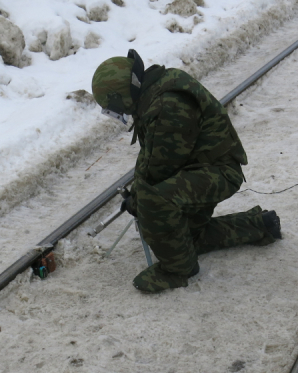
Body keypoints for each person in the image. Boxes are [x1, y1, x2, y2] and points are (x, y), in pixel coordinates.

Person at [91, 50, 281, 293]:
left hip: (218, 172)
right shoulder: (153, 91)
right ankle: (260, 225)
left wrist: (139, 201)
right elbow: (150, 156)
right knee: (185, 239)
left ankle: (178, 269)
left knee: (154, 202)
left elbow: (160, 168)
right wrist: (136, 191)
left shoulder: (166, 105)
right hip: (200, 167)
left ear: (122, 96)